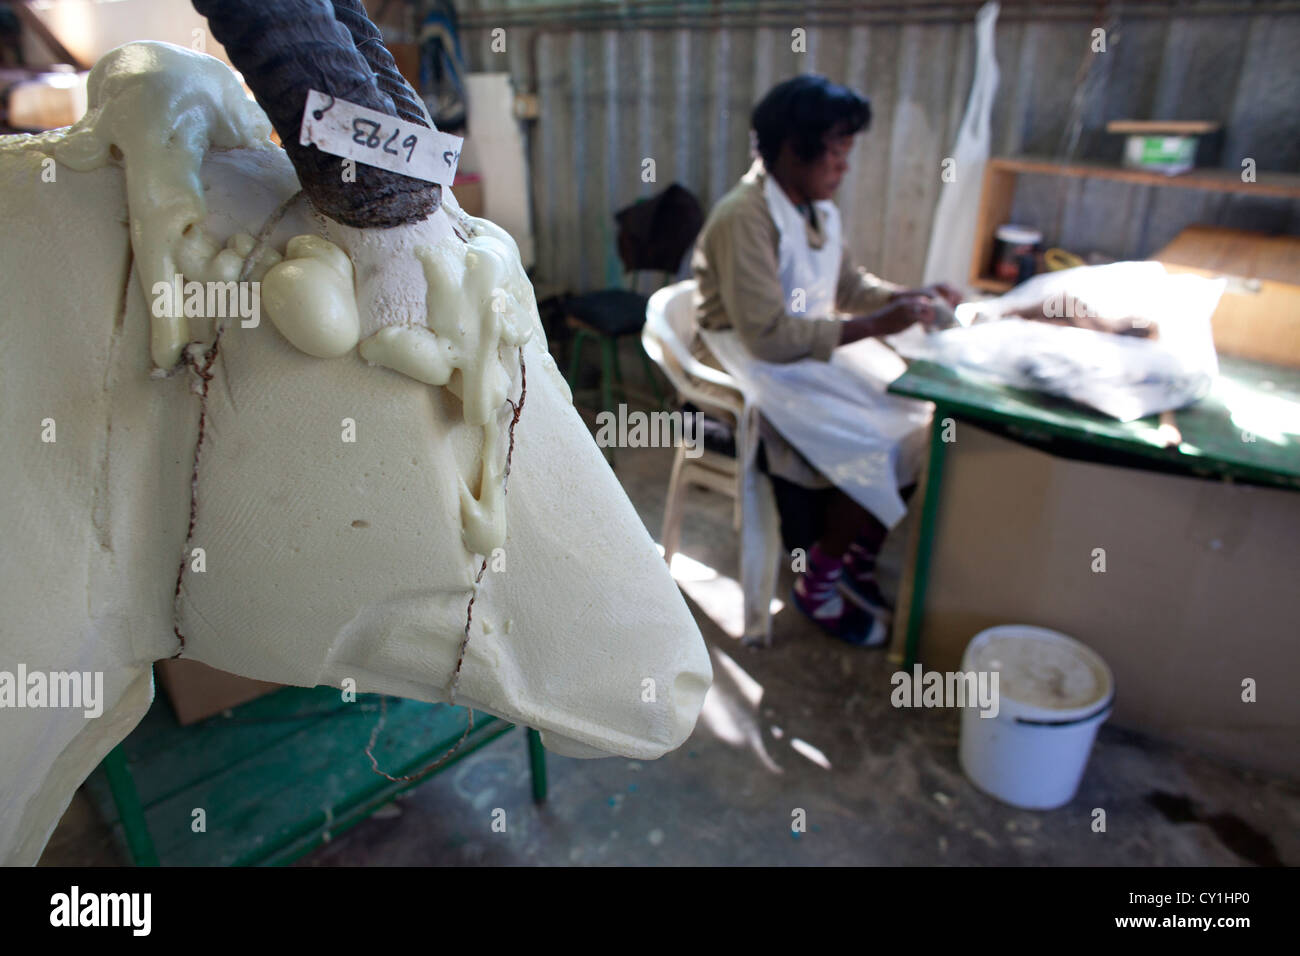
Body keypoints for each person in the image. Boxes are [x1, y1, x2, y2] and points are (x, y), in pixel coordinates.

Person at [688, 74, 961, 647]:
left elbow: (849, 285)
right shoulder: (747, 217)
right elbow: (764, 335)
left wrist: (905, 298)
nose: (844, 167)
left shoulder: (815, 209)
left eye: (846, 152)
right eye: (836, 153)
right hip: (749, 354)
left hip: (801, 341)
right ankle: (819, 577)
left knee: (918, 417)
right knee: (873, 442)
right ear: (792, 150)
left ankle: (856, 550)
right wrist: (871, 326)